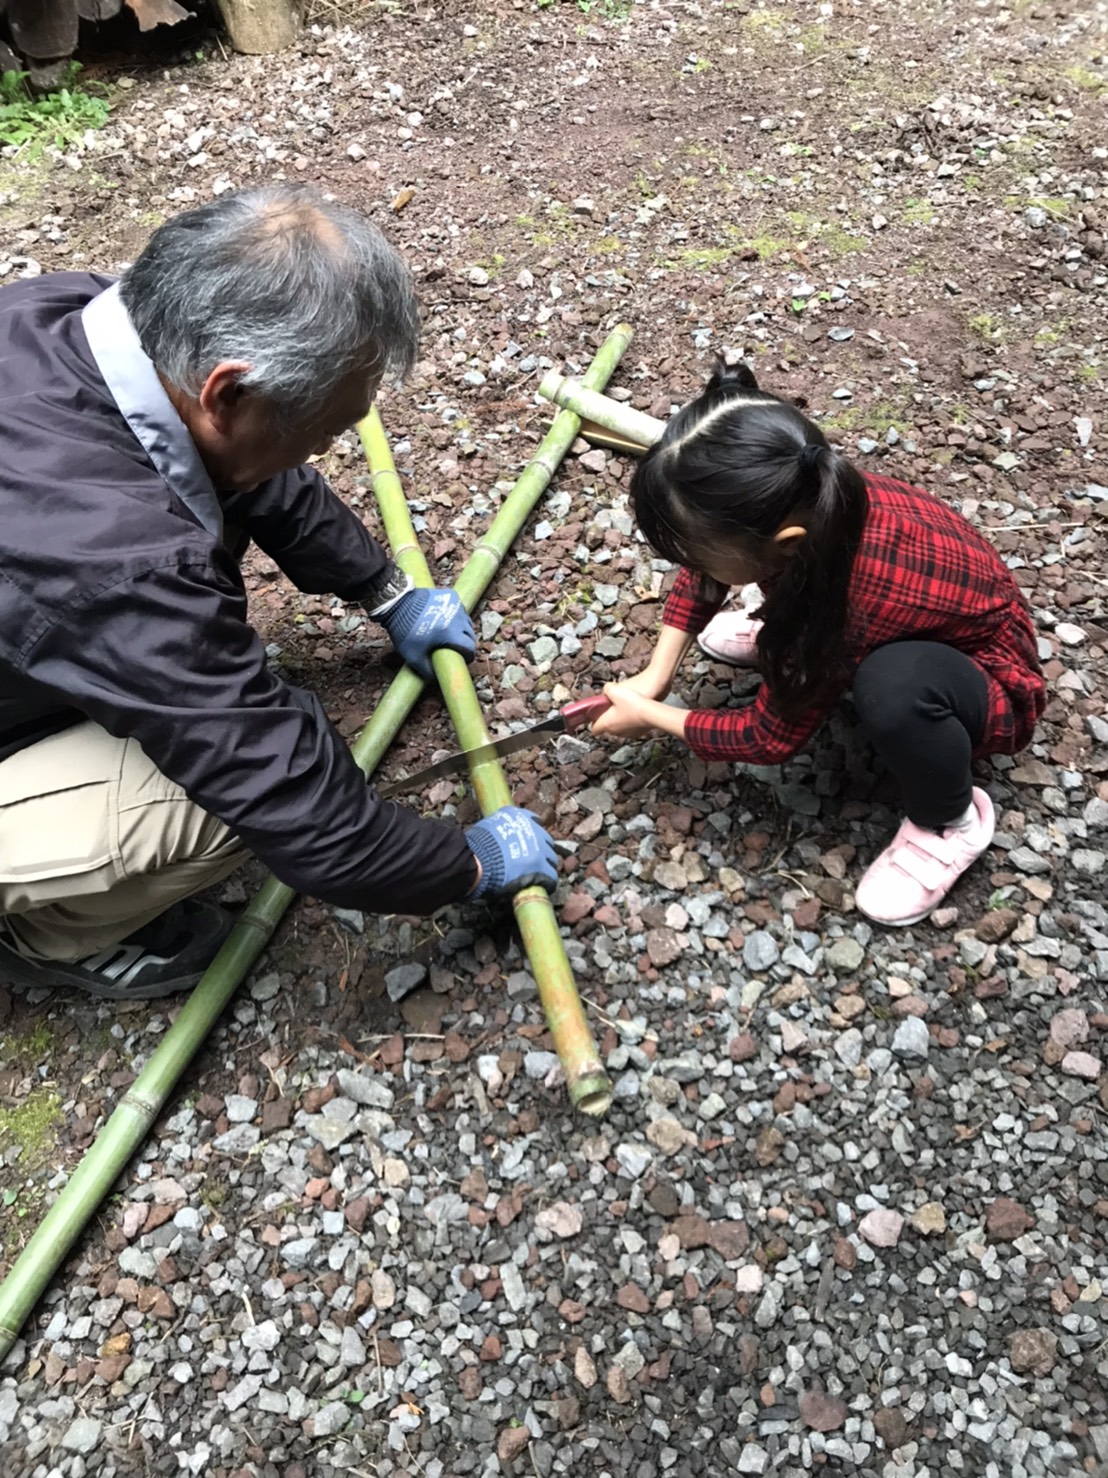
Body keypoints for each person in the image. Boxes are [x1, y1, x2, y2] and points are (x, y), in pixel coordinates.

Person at [0, 185, 559, 1000]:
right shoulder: (118, 561)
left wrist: (383, 588)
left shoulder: (78, 317)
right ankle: (47, 937)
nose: (327, 446)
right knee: (222, 805)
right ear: (228, 391)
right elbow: (306, 818)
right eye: (327, 428)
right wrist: (467, 862)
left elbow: (241, 463)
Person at [591, 360, 1046, 927]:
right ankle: (789, 641)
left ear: (785, 547)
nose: (688, 566)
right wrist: (657, 674)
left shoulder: (844, 600)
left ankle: (949, 820)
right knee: (837, 646)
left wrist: (655, 716)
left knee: (893, 689)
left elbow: (767, 738)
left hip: (985, 678)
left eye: (694, 552)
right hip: (865, 621)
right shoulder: (810, 494)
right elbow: (709, 567)